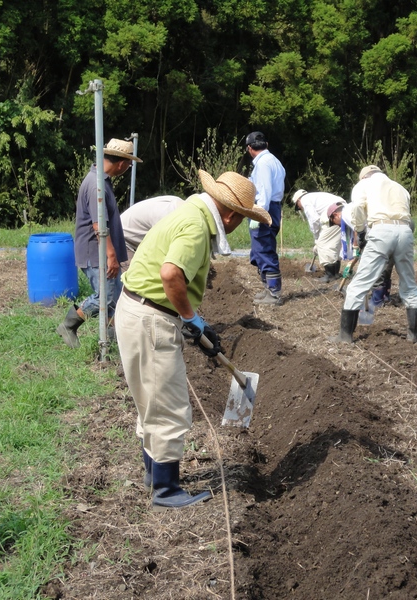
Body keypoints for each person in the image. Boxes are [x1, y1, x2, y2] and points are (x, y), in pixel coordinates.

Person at [115, 169, 269, 509]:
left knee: (150, 400)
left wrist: (193, 320)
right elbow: (170, 274)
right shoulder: (197, 226)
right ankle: (166, 490)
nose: (239, 224)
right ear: (230, 216)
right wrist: (190, 318)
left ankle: (153, 475)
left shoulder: (189, 212)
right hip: (150, 317)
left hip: (136, 308)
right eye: (242, 218)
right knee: (168, 406)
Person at [56, 138, 141, 349]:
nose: (127, 168)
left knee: (116, 300)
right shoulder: (96, 186)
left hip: (100, 252)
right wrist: (111, 255)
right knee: (106, 298)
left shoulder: (102, 181)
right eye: (128, 164)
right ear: (121, 164)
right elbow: (98, 226)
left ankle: (112, 345)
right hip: (96, 253)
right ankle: (68, 325)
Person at [334, 165, 417, 343]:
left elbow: (357, 208)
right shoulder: (400, 188)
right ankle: (414, 335)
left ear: (364, 176)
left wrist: (360, 231)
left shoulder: (363, 185)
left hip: (381, 230)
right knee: (409, 283)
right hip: (405, 232)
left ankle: (345, 335)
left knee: (359, 284)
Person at [245, 131, 286, 305]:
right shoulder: (274, 161)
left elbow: (265, 191)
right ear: (266, 145)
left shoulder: (262, 164)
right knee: (259, 250)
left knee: (264, 249)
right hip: (273, 208)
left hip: (265, 209)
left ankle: (274, 293)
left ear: (249, 148)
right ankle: (267, 288)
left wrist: (259, 214)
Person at [291, 188, 345, 282]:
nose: (300, 208)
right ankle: (335, 273)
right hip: (342, 211)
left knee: (323, 244)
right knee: (334, 245)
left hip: (334, 214)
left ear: (298, 200)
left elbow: (314, 220)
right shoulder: (314, 196)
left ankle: (330, 275)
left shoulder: (305, 200)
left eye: (298, 206)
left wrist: (317, 239)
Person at [120, 195, 186, 267]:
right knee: (135, 272)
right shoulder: (166, 215)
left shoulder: (179, 205)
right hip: (124, 240)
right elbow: (161, 250)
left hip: (136, 241)